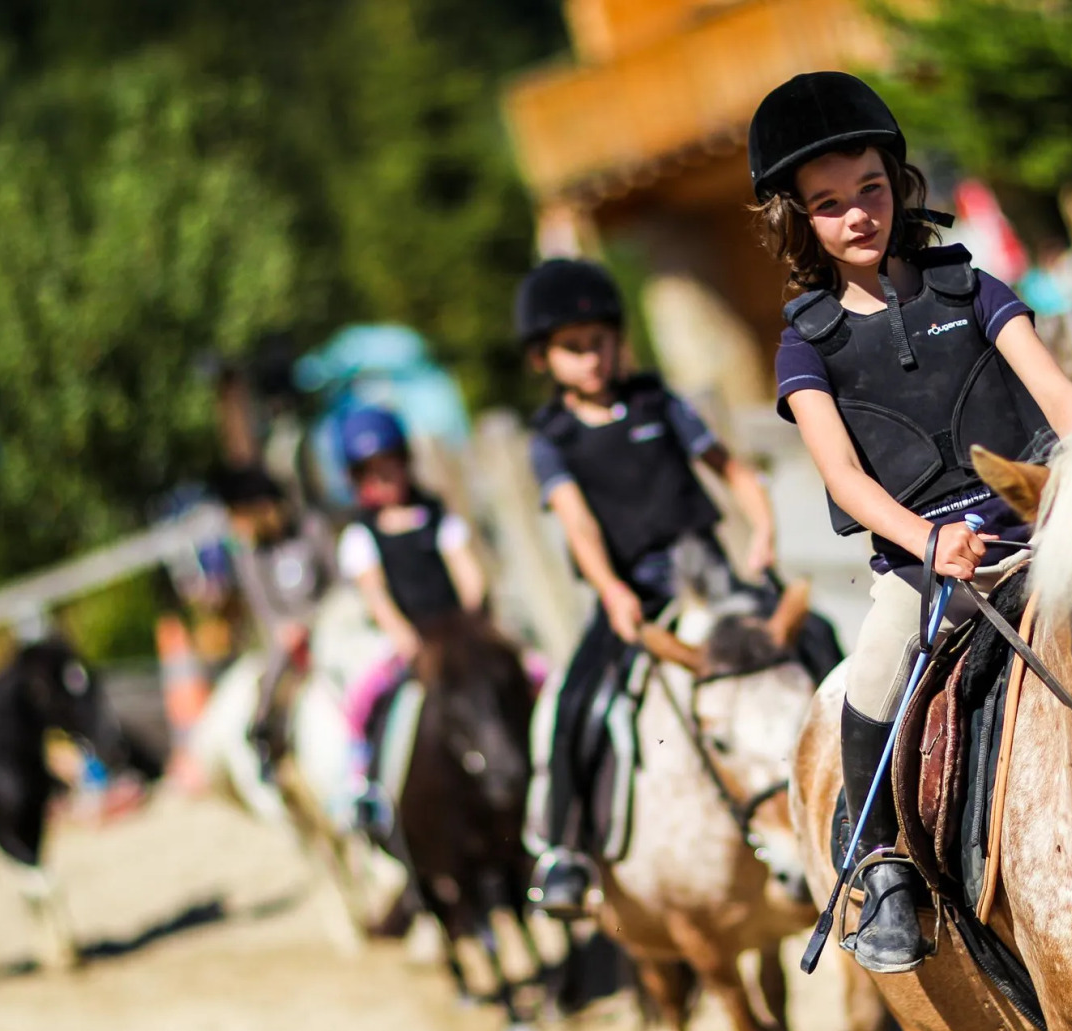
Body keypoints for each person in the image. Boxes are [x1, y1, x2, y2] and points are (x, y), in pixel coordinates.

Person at [748, 72, 1072, 973]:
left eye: (868, 188)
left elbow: (1055, 390)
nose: (857, 215)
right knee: (873, 673)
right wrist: (929, 540)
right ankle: (883, 863)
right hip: (921, 565)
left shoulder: (969, 285)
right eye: (829, 205)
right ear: (800, 220)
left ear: (897, 184)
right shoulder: (805, 344)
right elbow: (844, 477)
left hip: (1038, 524)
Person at [515, 257, 782, 918]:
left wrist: (763, 528)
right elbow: (577, 522)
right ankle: (567, 848)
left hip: (712, 579)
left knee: (809, 646)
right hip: (635, 596)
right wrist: (609, 588)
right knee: (574, 701)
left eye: (599, 342)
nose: (592, 359)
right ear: (544, 359)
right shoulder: (552, 441)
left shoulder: (659, 403)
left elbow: (730, 470)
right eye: (573, 349)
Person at [333, 403, 488, 830]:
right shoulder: (360, 537)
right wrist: (405, 639)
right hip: (409, 641)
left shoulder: (438, 515)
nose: (384, 481)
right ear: (356, 480)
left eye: (390, 468)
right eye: (371, 473)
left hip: (457, 631)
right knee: (364, 702)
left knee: (529, 672)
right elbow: (377, 597)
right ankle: (364, 785)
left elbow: (468, 573)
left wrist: (471, 618)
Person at [213, 464, 336, 772]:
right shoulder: (249, 554)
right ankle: (266, 741)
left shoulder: (312, 529)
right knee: (271, 683)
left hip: (332, 624)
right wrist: (287, 630)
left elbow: (339, 583)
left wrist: (313, 621)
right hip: (289, 641)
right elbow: (266, 610)